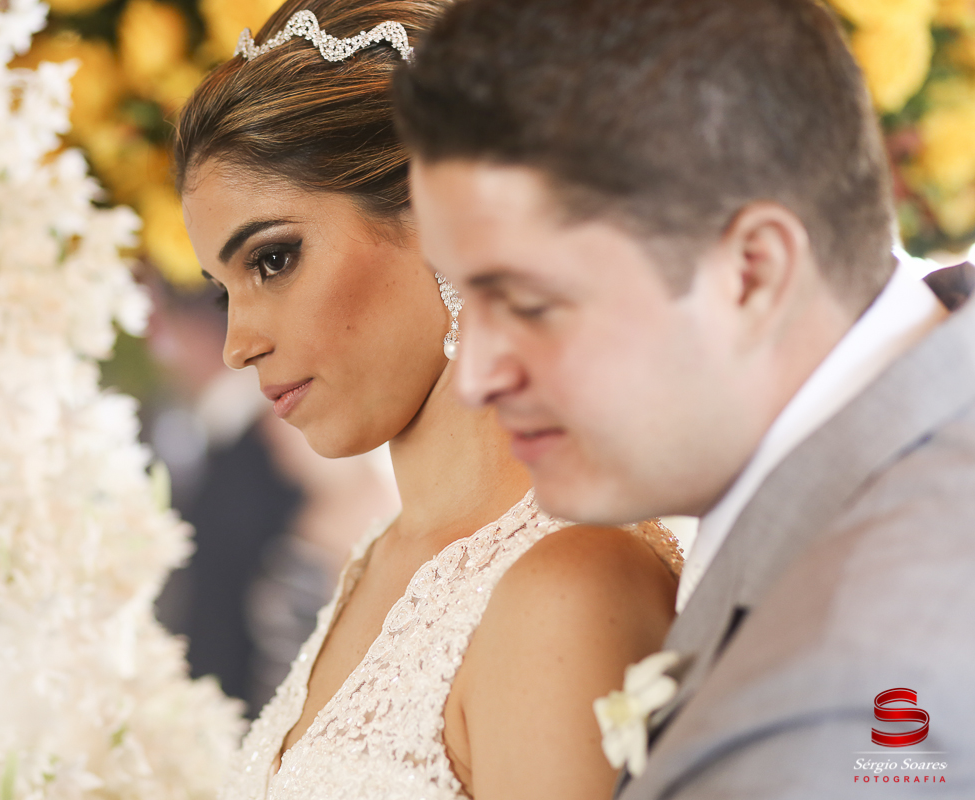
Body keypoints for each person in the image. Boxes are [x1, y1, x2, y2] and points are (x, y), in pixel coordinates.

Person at [395, 0, 975, 796]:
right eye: (467, 296)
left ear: (753, 273)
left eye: (529, 303)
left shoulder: (837, 707)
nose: (478, 375)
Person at [173, 1, 683, 797]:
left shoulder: (571, 585)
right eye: (222, 291)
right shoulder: (382, 558)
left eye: (273, 261)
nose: (240, 343)